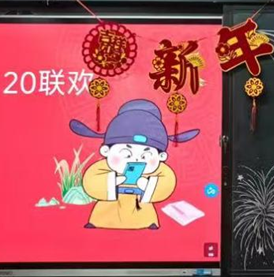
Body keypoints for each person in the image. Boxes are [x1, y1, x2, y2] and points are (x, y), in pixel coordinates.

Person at [70, 99, 199, 231]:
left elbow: (166, 184)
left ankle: (149, 225)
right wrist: (114, 181)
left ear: (161, 157)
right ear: (106, 151)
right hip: (106, 214)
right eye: (126, 154)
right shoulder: (101, 168)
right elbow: (91, 183)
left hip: (142, 214)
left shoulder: (161, 171)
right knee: (102, 220)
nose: (136, 159)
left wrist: (146, 185)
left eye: (145, 156)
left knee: (145, 220)